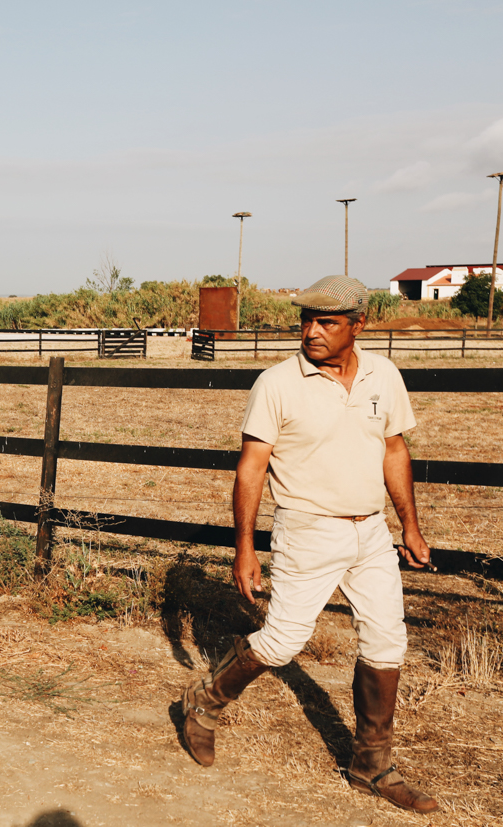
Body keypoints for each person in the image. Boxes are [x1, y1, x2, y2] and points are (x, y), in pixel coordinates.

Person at [180, 276, 438, 815]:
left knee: (388, 641)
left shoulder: (382, 375)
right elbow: (251, 468)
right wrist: (244, 548)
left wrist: (409, 524)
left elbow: (394, 450)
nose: (312, 331)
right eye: (306, 320)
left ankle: (371, 765)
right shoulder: (278, 383)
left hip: (370, 531)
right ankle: (204, 702)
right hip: (307, 529)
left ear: (357, 326)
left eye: (327, 322)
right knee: (282, 643)